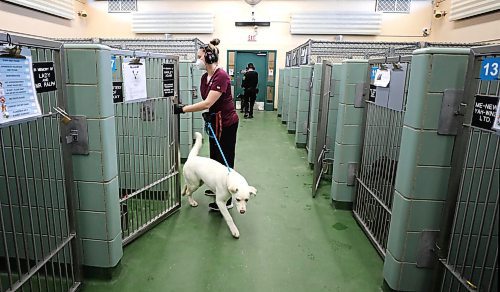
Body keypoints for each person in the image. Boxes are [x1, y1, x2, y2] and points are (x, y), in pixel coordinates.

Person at [174, 38, 238, 211]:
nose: (198, 60)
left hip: (226, 123)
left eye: (199, 56)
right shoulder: (205, 77)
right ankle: (217, 187)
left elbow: (207, 102)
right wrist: (208, 114)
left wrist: (183, 109)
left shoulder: (222, 76)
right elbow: (206, 101)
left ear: (209, 58)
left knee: (225, 159)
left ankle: (228, 198)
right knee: (215, 158)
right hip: (214, 121)